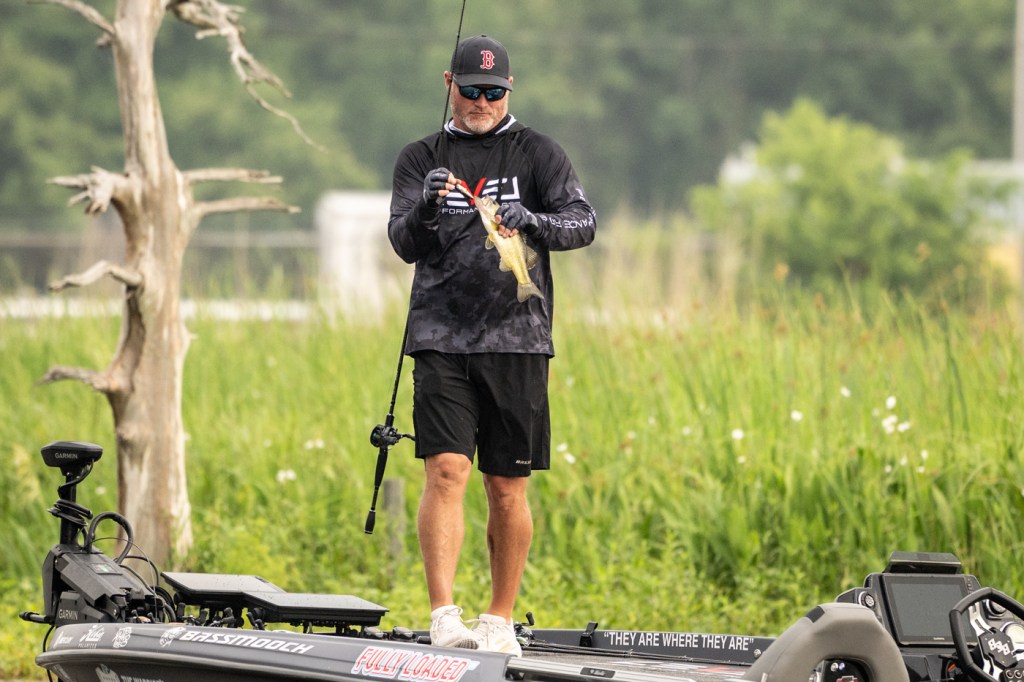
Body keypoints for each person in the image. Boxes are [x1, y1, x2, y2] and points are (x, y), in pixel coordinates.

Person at [387, 34, 597, 656]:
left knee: (506, 486)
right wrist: (426, 209)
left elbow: (582, 223)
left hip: (519, 340)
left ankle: (498, 620)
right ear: (448, 84)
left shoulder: (539, 153)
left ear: (510, 91)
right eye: (472, 90)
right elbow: (403, 242)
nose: (482, 102)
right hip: (440, 337)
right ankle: (443, 617)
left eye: (494, 92)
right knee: (446, 471)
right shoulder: (420, 157)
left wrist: (534, 221)